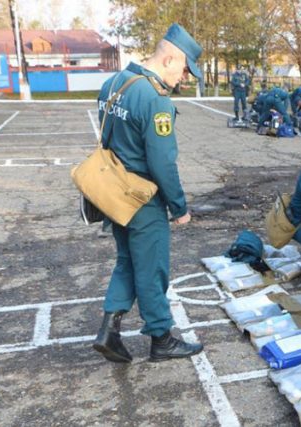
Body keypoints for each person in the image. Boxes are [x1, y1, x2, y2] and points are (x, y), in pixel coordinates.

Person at [92, 23, 203, 363]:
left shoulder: (115, 83)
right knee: (152, 268)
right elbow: (162, 163)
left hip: (113, 193)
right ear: (169, 59)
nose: (182, 79)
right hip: (142, 198)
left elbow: (107, 138)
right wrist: (179, 207)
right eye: (184, 70)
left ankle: (109, 330)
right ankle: (161, 338)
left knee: (127, 261)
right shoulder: (155, 100)